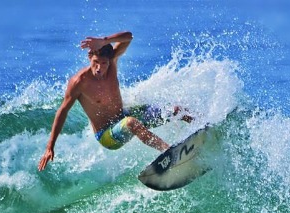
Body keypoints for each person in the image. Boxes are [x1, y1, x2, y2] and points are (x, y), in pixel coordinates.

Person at [38, 31, 187, 172]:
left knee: (174, 110)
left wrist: (104, 41)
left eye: (104, 63)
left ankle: (204, 125)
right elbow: (63, 111)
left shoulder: (112, 64)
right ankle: (170, 153)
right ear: (90, 57)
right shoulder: (79, 82)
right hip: (106, 135)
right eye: (96, 62)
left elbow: (129, 37)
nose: (99, 68)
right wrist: (50, 146)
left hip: (123, 116)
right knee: (131, 123)